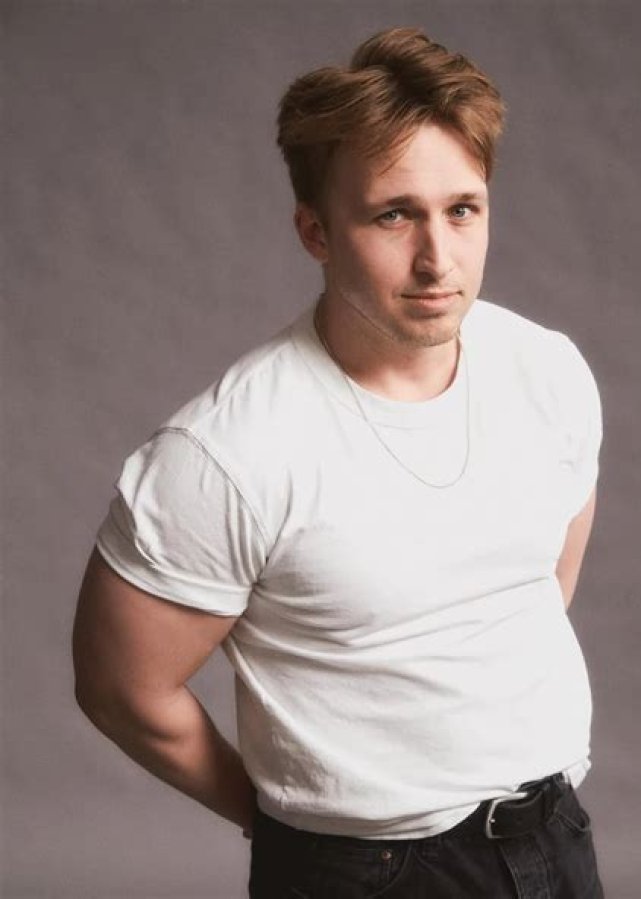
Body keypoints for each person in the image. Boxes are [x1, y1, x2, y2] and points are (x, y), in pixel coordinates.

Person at [73, 26, 605, 898]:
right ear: (315, 231)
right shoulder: (228, 451)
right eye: (394, 214)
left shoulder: (548, 372)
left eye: (462, 209)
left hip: (554, 837)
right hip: (364, 871)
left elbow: (539, 592)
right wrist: (291, 828)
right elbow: (121, 688)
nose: (437, 258)